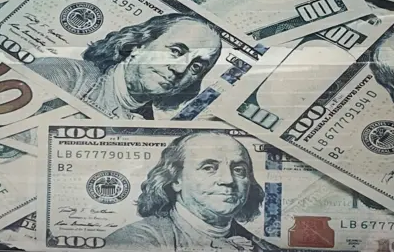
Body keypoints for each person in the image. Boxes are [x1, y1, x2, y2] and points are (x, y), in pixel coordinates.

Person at [23, 13, 222, 120]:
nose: (180, 70)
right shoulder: (65, 74)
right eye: (176, 51)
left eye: (196, 67)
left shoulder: (147, 130)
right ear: (138, 45)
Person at [105, 132, 278, 251]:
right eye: (209, 168)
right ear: (175, 180)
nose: (228, 180)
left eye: (239, 170)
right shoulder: (136, 241)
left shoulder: (264, 248)